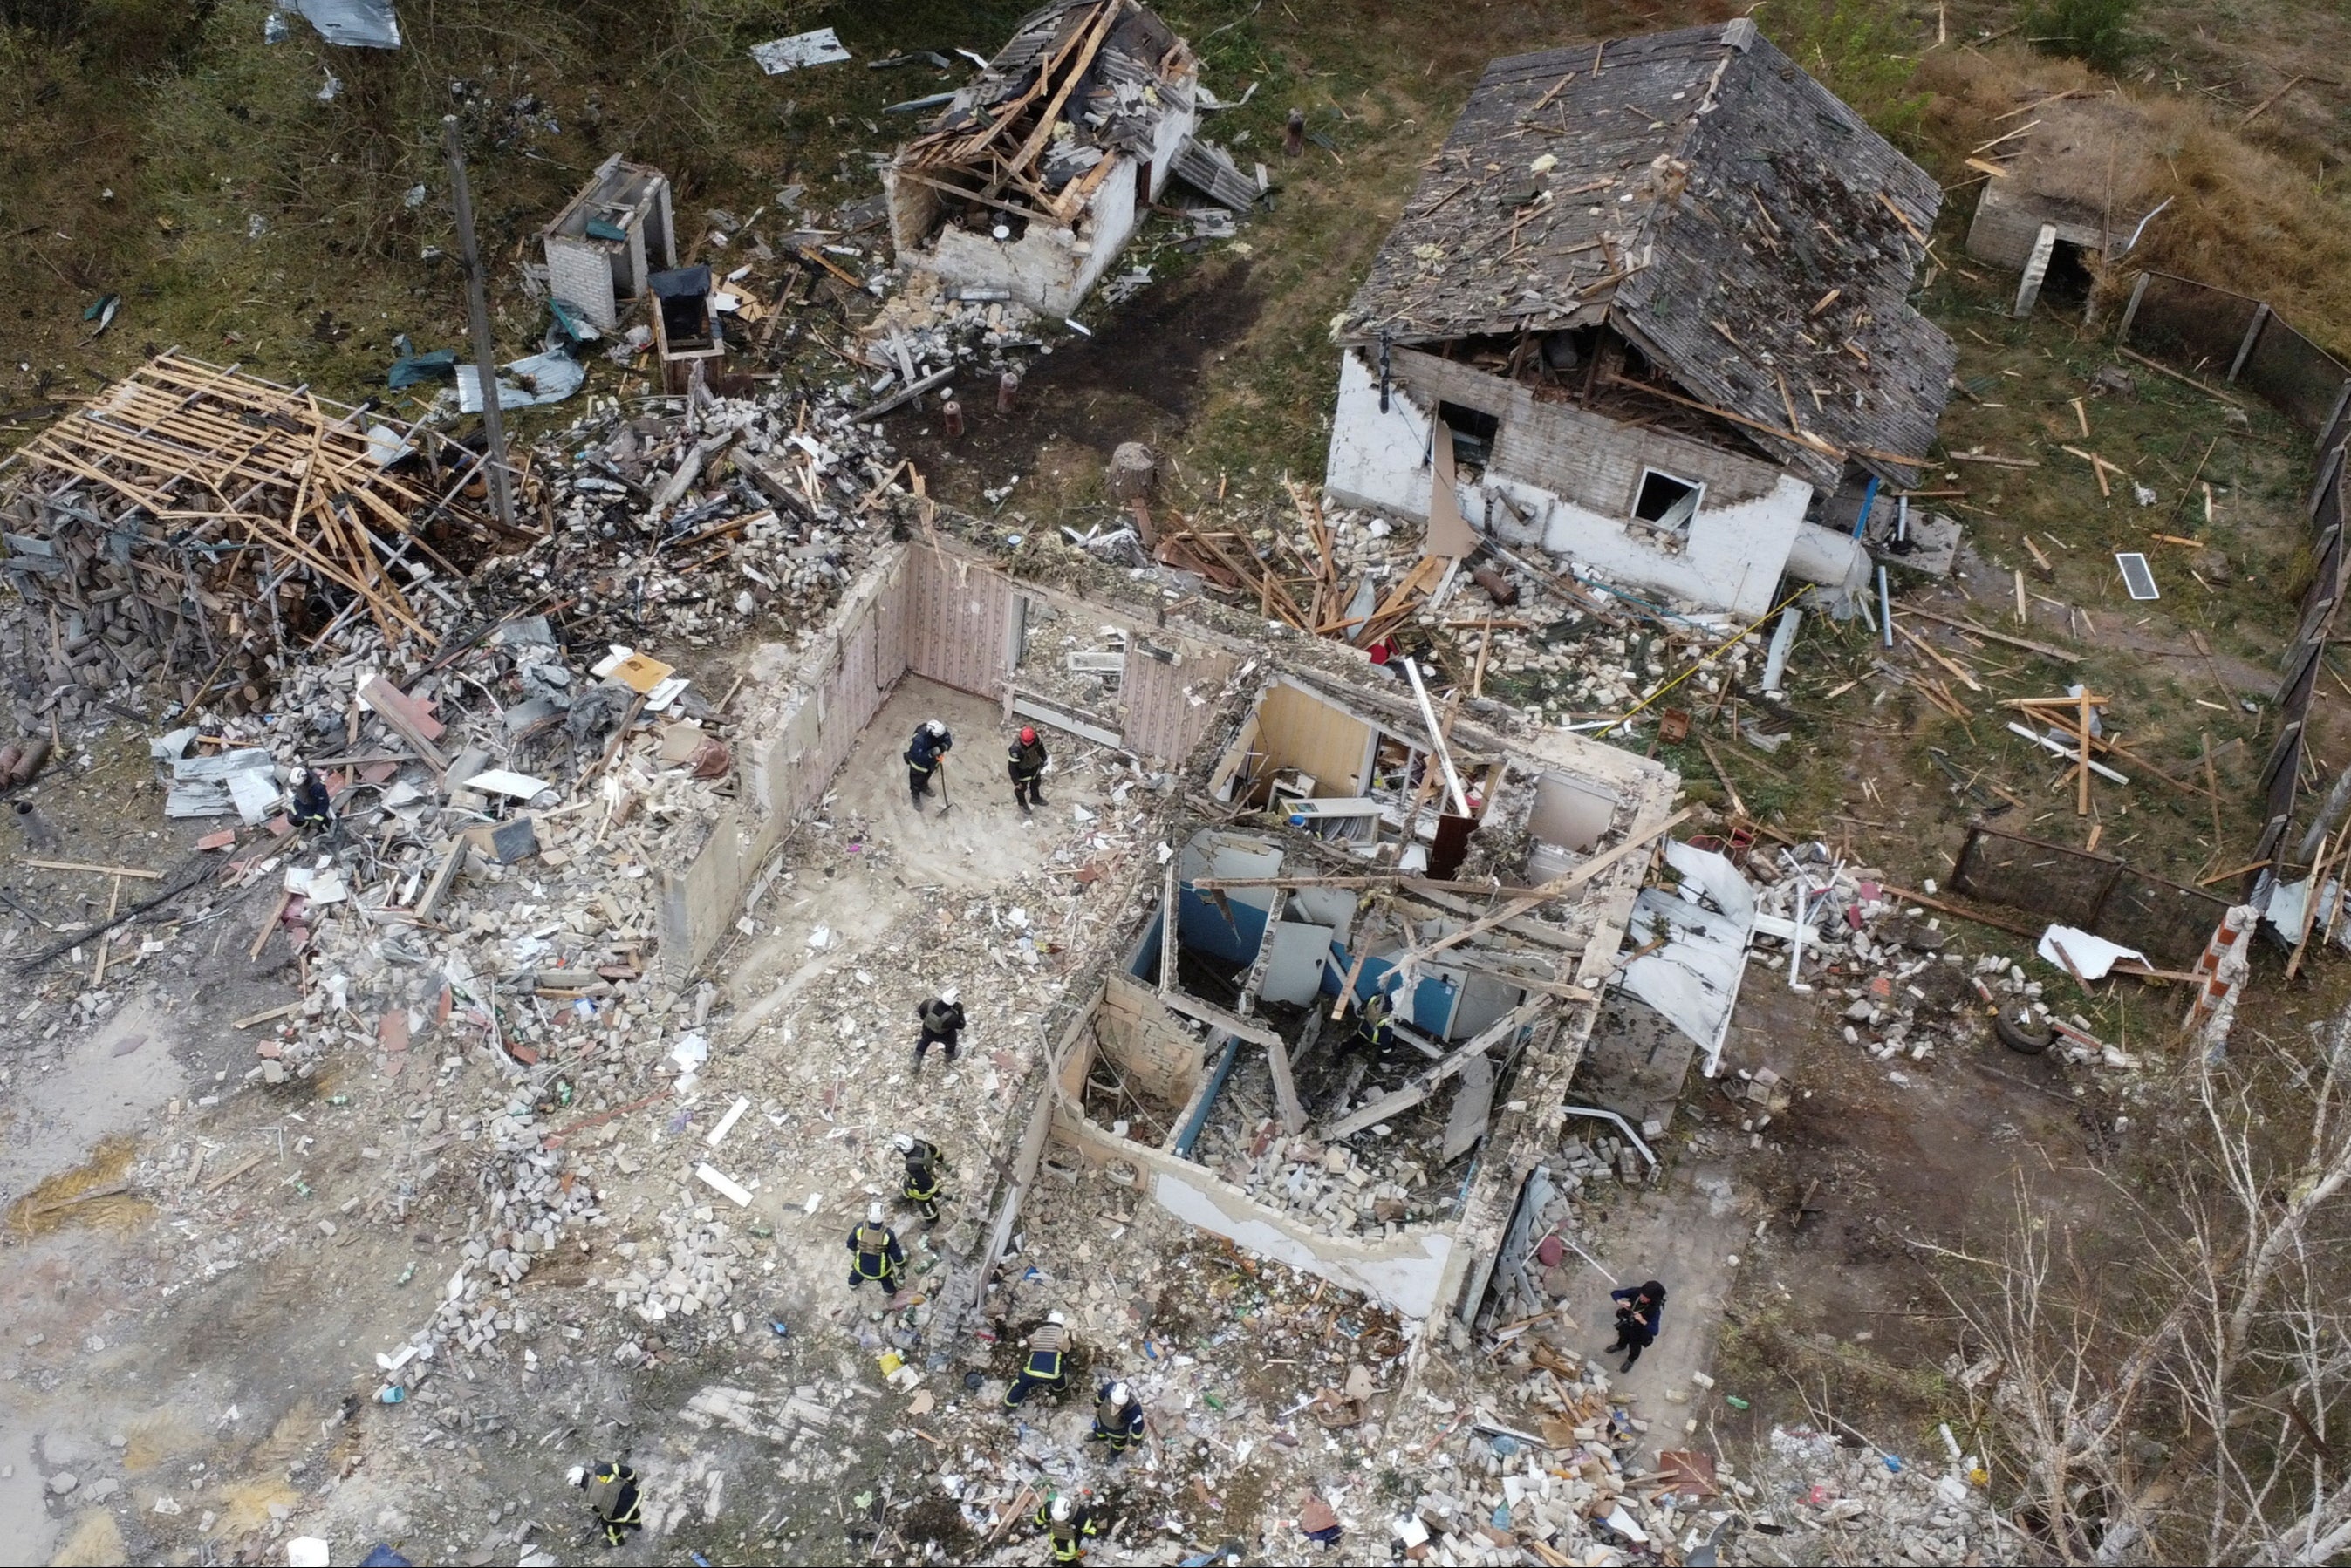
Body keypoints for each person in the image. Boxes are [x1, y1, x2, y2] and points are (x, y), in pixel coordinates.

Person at [568, 1459, 642, 1548]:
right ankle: (636, 1525)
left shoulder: (587, 1498)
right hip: (633, 1496)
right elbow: (627, 1472)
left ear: (577, 1485)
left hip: (621, 1512)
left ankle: (617, 1541)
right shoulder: (603, 1470)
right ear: (585, 1471)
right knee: (633, 1510)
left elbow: (598, 1509)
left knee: (608, 1523)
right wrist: (632, 1483)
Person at [1004, 1310, 1072, 1407]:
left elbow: (1029, 1341)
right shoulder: (1063, 1333)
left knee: (1021, 1384)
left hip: (1031, 1372)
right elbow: (1066, 1349)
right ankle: (1060, 1391)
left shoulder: (1039, 1331)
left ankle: (1009, 1404)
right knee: (1060, 1376)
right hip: (1052, 1374)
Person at [1606, 1278, 1667, 1372]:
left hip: (1639, 1332)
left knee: (1635, 1347)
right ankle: (1620, 1346)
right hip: (1627, 1324)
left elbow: (1655, 1331)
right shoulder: (1637, 1292)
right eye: (1642, 1295)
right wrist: (1620, 1302)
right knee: (1622, 1337)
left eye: (1645, 1297)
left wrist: (1643, 1321)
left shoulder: (1655, 1311)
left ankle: (1631, 1360)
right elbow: (1616, 1293)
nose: (1641, 1297)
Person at [846, 1203, 905, 1292]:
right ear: (883, 1216)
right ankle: (890, 1292)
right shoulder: (888, 1234)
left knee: (855, 1274)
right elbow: (895, 1252)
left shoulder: (860, 1228)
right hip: (881, 1271)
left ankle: (852, 1284)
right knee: (887, 1280)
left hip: (861, 1267)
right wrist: (901, 1263)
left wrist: (853, 1250)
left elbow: (850, 1242)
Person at [895, 1132, 947, 1225]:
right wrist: (940, 1159)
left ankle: (932, 1219)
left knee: (924, 1203)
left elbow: (926, 1181)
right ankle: (906, 1197)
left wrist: (936, 1193)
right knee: (907, 1187)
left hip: (920, 1187)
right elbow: (934, 1150)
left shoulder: (913, 1165)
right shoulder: (919, 1142)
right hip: (918, 1176)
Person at [1035, 1495, 1103, 1565]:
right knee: (1058, 1549)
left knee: (1069, 1556)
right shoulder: (1049, 1509)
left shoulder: (1079, 1514)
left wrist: (1087, 1538)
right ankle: (1060, 1558)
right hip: (1056, 1536)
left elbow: (1090, 1527)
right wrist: (1036, 1526)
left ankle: (1068, 1563)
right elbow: (1040, 1518)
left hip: (1073, 1539)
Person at [906, 719, 953, 813]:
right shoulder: (919, 740)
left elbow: (948, 741)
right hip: (918, 766)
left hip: (932, 763)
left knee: (927, 776)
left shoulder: (941, 732)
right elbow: (917, 756)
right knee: (916, 782)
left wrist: (943, 747)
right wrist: (930, 754)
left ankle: (924, 786)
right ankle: (915, 796)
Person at [913, 991, 966, 1074]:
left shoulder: (929, 1003)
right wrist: (960, 1012)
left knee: (924, 1041)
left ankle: (916, 1060)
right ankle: (950, 1055)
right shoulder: (952, 1017)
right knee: (951, 1043)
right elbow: (961, 1025)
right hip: (945, 1035)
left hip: (928, 1030)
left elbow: (920, 1011)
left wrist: (927, 1021)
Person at [1089, 1380, 1144, 1454]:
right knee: (1099, 1429)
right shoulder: (1109, 1389)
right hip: (1102, 1420)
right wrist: (1096, 1406)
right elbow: (1100, 1396)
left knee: (1119, 1443)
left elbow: (1138, 1429)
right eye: (1114, 1404)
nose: (1114, 1410)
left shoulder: (1134, 1409)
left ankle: (1115, 1453)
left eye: (1119, 1407)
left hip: (1119, 1431)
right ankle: (1100, 1436)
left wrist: (1133, 1444)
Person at [1007, 725, 1048, 815]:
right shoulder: (1015, 750)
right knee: (1021, 789)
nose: (1028, 744)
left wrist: (1044, 759)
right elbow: (1012, 767)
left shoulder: (1036, 740)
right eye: (1026, 742)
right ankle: (1022, 804)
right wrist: (1016, 782)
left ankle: (1035, 798)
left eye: (1030, 742)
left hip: (1035, 767)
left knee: (1036, 783)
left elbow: (1041, 749)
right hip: (1022, 772)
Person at [288, 765, 334, 833]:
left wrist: (317, 819)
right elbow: (299, 793)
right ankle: (307, 827)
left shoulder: (317, 787)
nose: (295, 786)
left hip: (313, 807)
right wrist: (293, 809)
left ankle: (324, 830)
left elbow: (324, 804)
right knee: (292, 819)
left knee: (319, 823)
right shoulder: (301, 779)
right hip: (302, 801)